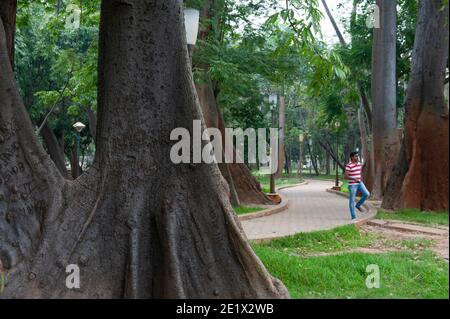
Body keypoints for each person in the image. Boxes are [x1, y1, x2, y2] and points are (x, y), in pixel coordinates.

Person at [344, 151, 370, 220]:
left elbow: (359, 171)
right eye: (355, 156)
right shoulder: (348, 165)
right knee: (352, 200)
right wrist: (353, 178)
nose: (357, 157)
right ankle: (353, 216)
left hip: (359, 183)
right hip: (352, 185)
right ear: (352, 157)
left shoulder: (359, 164)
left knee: (367, 194)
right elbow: (345, 176)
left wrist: (359, 178)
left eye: (357, 156)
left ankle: (358, 205)